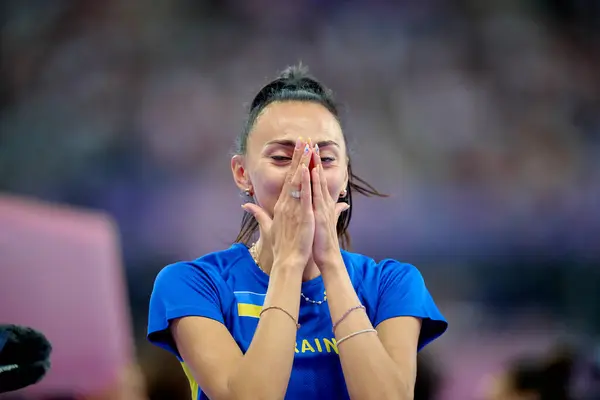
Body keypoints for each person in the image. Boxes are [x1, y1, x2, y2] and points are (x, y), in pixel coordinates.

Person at [147, 64, 448, 400]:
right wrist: (289, 263)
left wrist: (331, 264)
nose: (305, 172)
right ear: (242, 173)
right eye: (281, 157)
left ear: (346, 175)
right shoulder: (193, 284)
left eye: (327, 158)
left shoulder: (391, 284)